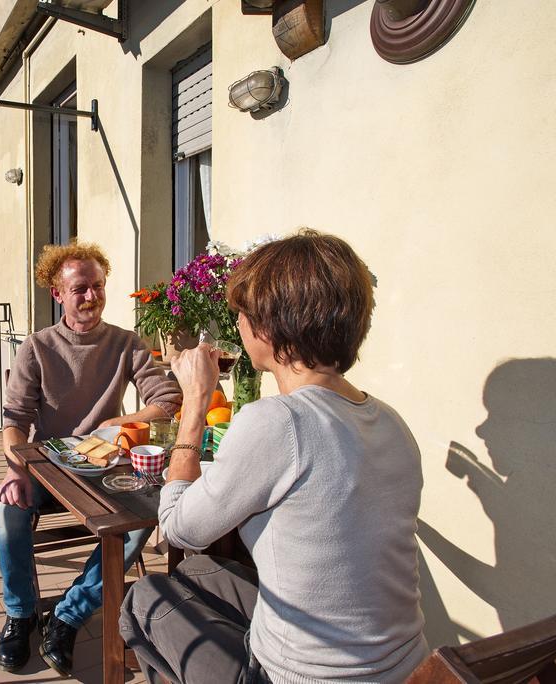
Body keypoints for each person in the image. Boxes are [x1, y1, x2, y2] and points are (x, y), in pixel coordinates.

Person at [119, 229, 429, 683]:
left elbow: (179, 529)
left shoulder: (279, 421)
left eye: (241, 314)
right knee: (205, 572)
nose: (238, 324)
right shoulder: (390, 420)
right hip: (401, 666)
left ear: (268, 327)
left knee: (144, 598)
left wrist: (196, 400)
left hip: (303, 677)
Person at [0, 241, 182, 676]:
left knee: (142, 522)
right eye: (80, 288)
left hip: (105, 472)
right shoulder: (38, 347)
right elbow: (14, 420)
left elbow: (167, 399)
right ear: (58, 294)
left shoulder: (125, 342)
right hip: (47, 470)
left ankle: (67, 615)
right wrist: (15, 468)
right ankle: (21, 615)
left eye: (98, 286)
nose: (91, 296)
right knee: (7, 518)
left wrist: (118, 420)